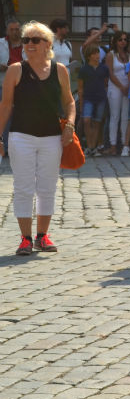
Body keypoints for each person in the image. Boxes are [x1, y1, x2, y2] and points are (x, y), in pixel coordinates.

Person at [0, 22, 76, 255]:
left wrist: (70, 124)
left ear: (48, 44)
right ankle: (25, 238)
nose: (29, 44)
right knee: (23, 187)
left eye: (35, 40)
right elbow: (5, 105)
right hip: (21, 136)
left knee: (47, 187)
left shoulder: (60, 70)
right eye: (26, 40)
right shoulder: (15, 69)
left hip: (52, 138)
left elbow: (69, 102)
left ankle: (42, 236)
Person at [103, 30, 130, 155]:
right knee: (115, 116)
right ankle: (113, 145)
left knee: (125, 116)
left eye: (125, 39)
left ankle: (124, 144)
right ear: (115, 41)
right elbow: (110, 73)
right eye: (120, 40)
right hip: (115, 87)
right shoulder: (111, 55)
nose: (123, 42)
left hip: (128, 87)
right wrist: (121, 86)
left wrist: (128, 85)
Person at [77, 46, 109, 155]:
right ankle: (89, 145)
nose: (97, 56)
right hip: (88, 98)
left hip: (100, 98)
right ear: (89, 56)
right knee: (86, 121)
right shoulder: (84, 69)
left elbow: (106, 83)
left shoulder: (104, 68)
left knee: (97, 122)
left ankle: (93, 147)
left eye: (98, 53)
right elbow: (80, 88)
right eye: (95, 53)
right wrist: (81, 103)